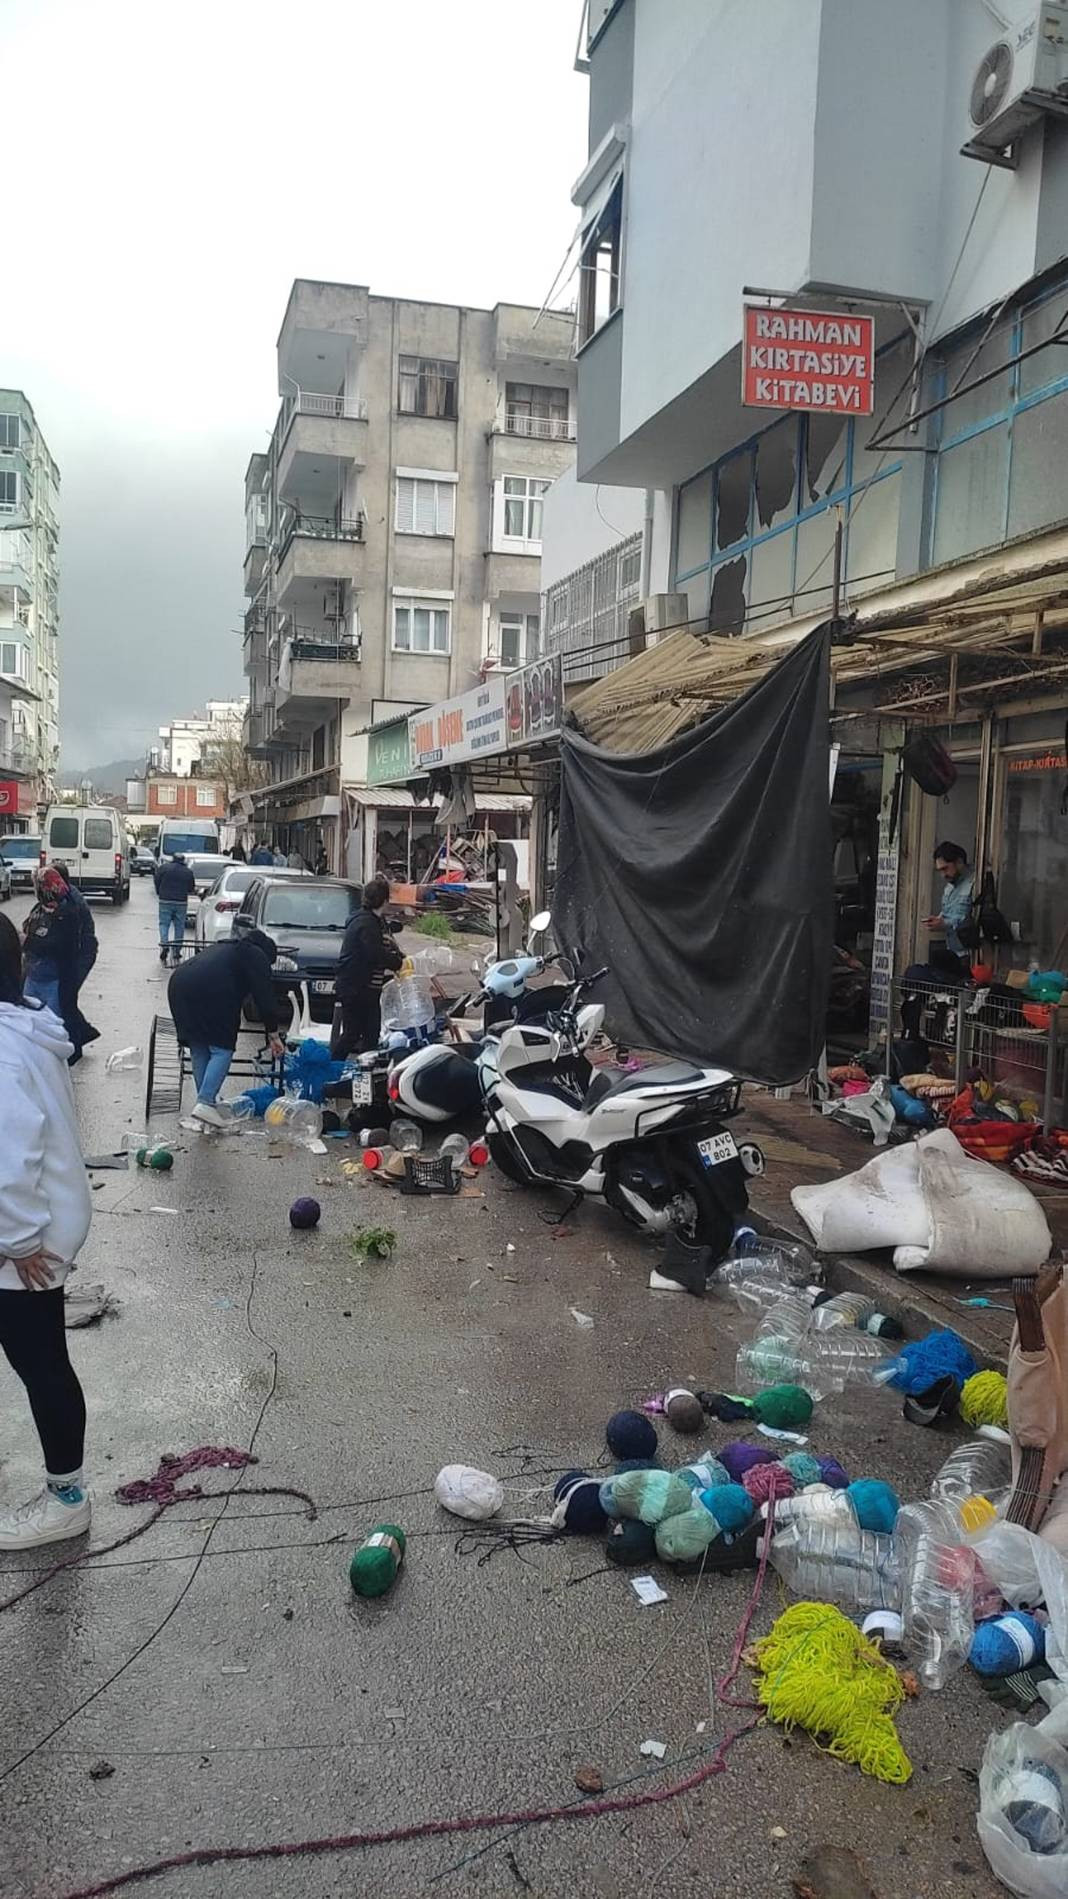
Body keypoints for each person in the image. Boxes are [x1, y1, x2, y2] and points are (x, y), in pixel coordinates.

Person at [0, 911, 93, 1549]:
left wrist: (20, 1238)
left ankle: (68, 1498)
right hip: (39, 1223)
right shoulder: (28, 1027)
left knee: (41, 1364)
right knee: (38, 1360)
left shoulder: (4, 1048)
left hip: (26, 1240)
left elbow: (11, 1154)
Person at [167, 931, 285, 1128]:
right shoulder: (255, 955)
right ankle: (205, 1102)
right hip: (211, 992)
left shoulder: (226, 947)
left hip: (179, 985)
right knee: (222, 1049)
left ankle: (205, 1106)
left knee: (200, 1047)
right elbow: (264, 998)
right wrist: (273, 1034)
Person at [335, 876, 403, 1056]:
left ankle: (364, 1073)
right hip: (358, 989)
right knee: (353, 1034)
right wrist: (397, 963)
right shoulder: (367, 924)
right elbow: (375, 953)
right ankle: (332, 1070)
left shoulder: (369, 920)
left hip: (363, 988)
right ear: (384, 901)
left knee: (369, 1034)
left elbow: (383, 946)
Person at [51, 864, 99, 1064]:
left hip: (81, 954)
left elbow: (71, 933)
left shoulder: (71, 901)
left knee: (67, 999)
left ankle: (77, 1044)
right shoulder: (67, 895)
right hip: (79, 953)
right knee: (67, 998)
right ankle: (85, 1032)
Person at [22, 869, 79, 1021]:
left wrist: (27, 941)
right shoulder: (38, 909)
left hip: (54, 981)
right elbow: (28, 927)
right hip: (32, 977)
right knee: (28, 1022)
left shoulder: (66, 913)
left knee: (53, 1023)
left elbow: (57, 946)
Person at [925, 840, 975, 960]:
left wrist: (944, 924)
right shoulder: (949, 888)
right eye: (940, 871)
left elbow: (971, 920)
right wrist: (937, 921)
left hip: (970, 954)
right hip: (953, 951)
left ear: (959, 862)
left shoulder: (974, 884)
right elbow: (947, 914)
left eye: (945, 869)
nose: (943, 875)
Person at [153, 851, 196, 966]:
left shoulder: (164, 868)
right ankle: (176, 950)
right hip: (181, 902)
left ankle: (165, 944)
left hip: (165, 900)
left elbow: (156, 880)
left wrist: (159, 891)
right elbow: (191, 888)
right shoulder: (187, 872)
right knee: (179, 926)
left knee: (164, 924)